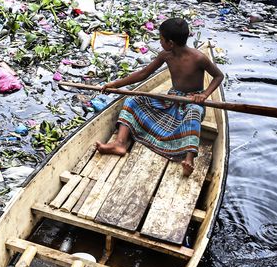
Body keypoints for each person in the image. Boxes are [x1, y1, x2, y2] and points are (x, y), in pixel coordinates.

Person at [95, 17, 224, 176]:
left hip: (191, 101)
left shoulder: (198, 58)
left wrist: (204, 95)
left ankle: (189, 159)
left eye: (161, 39)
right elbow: (143, 73)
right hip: (172, 98)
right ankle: (120, 143)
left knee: (194, 113)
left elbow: (219, 76)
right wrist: (116, 84)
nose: (159, 42)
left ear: (170, 43)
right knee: (133, 100)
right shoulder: (166, 55)